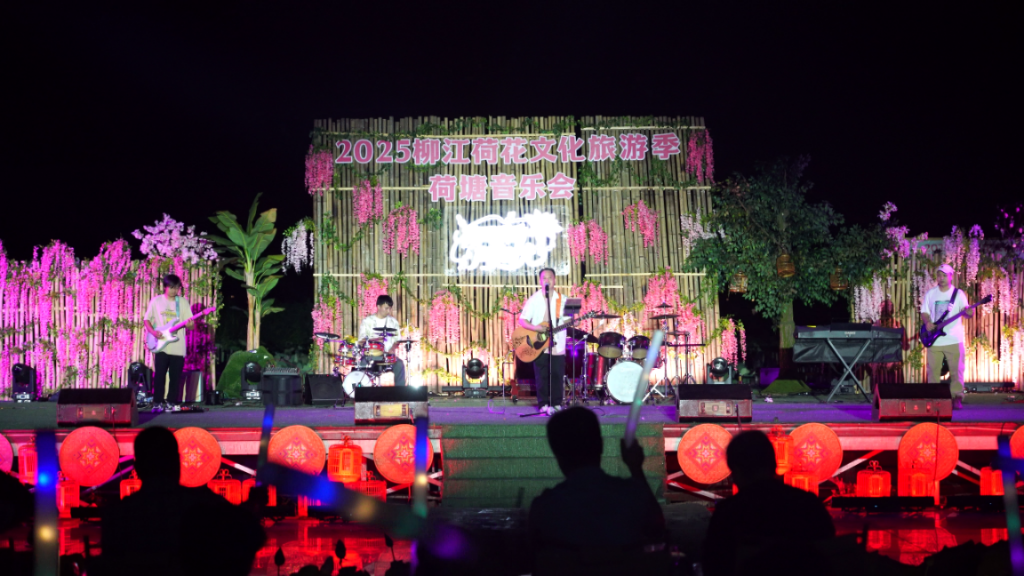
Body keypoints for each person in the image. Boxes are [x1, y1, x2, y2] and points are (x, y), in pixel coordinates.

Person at [98, 427, 265, 576]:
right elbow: (246, 538)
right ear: (177, 462)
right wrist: (254, 505)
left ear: (138, 467)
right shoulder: (201, 504)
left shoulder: (118, 514)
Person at [529, 407, 665, 575]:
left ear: (557, 453)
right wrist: (636, 469)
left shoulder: (545, 507)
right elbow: (658, 530)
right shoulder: (632, 497)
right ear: (601, 445)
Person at [702, 431, 835, 576]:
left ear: (736, 470)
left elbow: (714, 566)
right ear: (774, 464)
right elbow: (831, 557)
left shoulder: (728, 514)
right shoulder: (808, 505)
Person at [920, 264, 973, 409]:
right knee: (933, 371)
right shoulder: (931, 294)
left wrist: (969, 313)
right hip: (935, 340)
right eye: (939, 275)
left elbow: (967, 312)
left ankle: (957, 397)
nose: (941, 278)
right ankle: (934, 398)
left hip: (954, 338)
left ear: (951, 276)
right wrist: (927, 322)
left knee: (957, 370)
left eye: (944, 275)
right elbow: (924, 312)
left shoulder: (958, 294)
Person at [519, 268, 568, 415]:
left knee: (557, 373)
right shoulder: (534, 299)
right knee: (542, 374)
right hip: (538, 342)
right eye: (544, 278)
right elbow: (522, 320)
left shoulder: (563, 299)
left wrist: (575, 321)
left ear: (555, 280)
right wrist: (535, 327)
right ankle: (543, 404)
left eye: (550, 277)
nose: (547, 280)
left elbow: (569, 320)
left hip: (557, 342)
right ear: (540, 281)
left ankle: (557, 403)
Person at [143, 274, 194, 413]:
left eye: (177, 288)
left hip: (178, 346)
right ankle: (157, 402)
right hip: (161, 345)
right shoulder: (156, 301)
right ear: (165, 287)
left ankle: (171, 402)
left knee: (175, 377)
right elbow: (147, 320)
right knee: (159, 375)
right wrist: (153, 332)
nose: (174, 290)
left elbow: (191, 325)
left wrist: (190, 325)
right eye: (171, 287)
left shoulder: (182, 302)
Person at [358, 294, 406, 386]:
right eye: (386, 308)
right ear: (378, 306)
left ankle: (400, 392)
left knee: (399, 364)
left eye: (390, 308)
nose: (389, 311)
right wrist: (376, 339)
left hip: (387, 355)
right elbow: (361, 340)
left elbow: (397, 340)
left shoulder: (393, 322)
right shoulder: (367, 321)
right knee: (361, 365)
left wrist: (392, 349)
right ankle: (363, 392)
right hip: (370, 355)